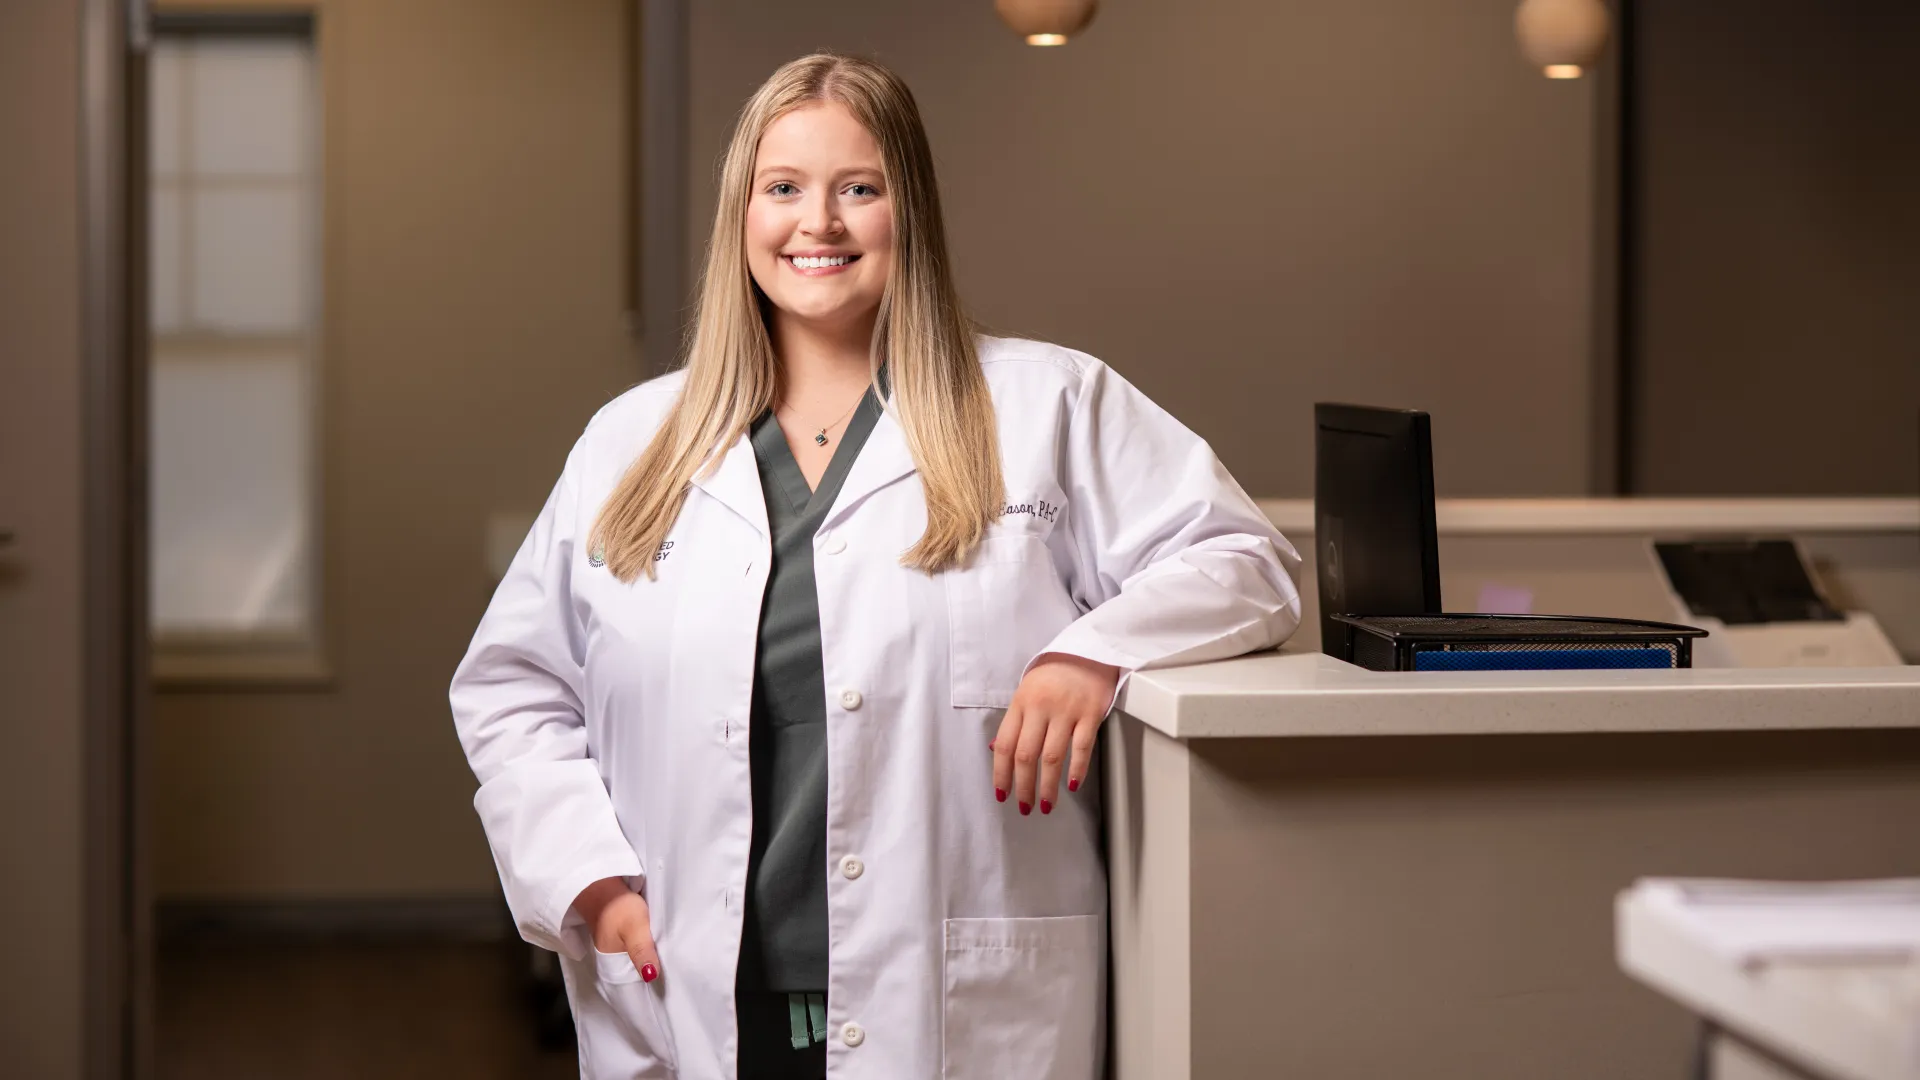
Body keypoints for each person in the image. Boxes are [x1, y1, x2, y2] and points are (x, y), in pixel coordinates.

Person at [450, 52, 1301, 1080]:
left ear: (912, 211)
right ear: (742, 215)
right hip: (691, 979)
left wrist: (1092, 653)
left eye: (860, 188)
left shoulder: (1049, 407)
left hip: (956, 998)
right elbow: (513, 689)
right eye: (785, 190)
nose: (821, 223)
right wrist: (586, 878)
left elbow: (1245, 557)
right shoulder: (631, 442)